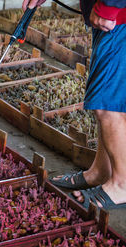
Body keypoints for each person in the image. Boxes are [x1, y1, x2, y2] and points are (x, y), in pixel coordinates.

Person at [22, 0, 126, 209]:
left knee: (106, 106)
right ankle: (101, 171)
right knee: (114, 100)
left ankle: (122, 184)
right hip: (113, 15)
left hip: (117, 14)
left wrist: (108, 7)